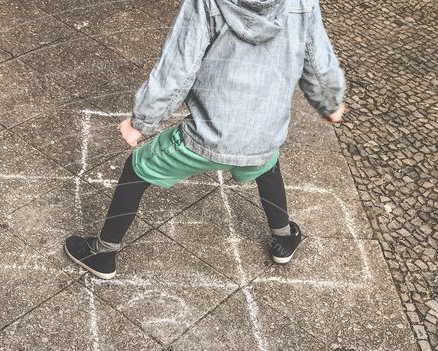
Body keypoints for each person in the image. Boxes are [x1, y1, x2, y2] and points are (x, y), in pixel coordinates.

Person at [65, 0, 345, 280]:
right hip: (264, 135)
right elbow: (318, 62)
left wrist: (142, 122)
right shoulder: (303, 4)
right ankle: (283, 238)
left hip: (207, 135)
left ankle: (103, 252)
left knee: (137, 167)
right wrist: (330, 104)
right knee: (266, 162)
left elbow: (177, 68)